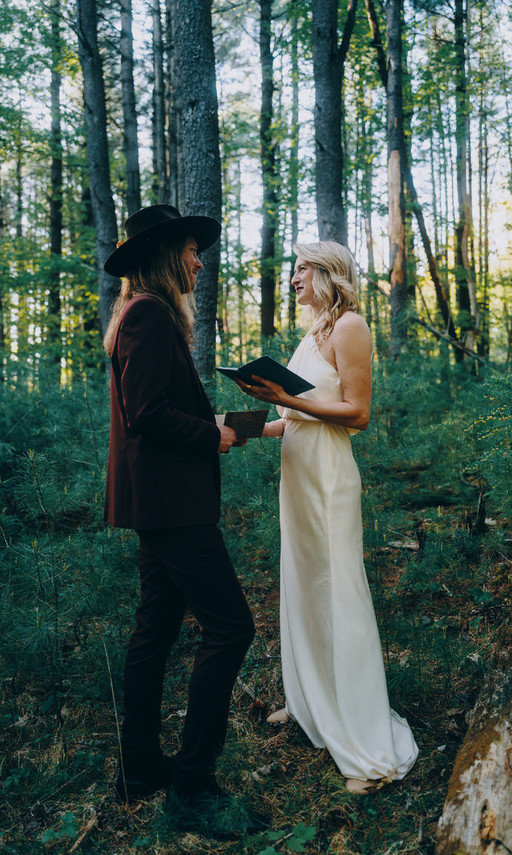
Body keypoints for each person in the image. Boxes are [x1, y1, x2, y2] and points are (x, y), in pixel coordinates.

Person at [103, 204, 264, 836]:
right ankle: (191, 785)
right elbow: (148, 415)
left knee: (156, 628)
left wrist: (254, 424)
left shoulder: (141, 315)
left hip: (159, 502)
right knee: (231, 629)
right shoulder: (148, 315)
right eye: (193, 251)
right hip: (171, 506)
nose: (200, 260)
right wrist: (213, 437)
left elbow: (168, 410)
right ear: (169, 255)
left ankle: (141, 768)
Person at [238, 240, 418, 794]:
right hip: (297, 476)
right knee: (304, 585)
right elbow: (292, 420)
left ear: (329, 273)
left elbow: (356, 415)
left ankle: (364, 738)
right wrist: (236, 423)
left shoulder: (350, 327)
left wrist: (288, 400)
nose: (292, 280)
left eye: (301, 270)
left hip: (329, 479)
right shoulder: (309, 334)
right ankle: (312, 700)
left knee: (338, 588)